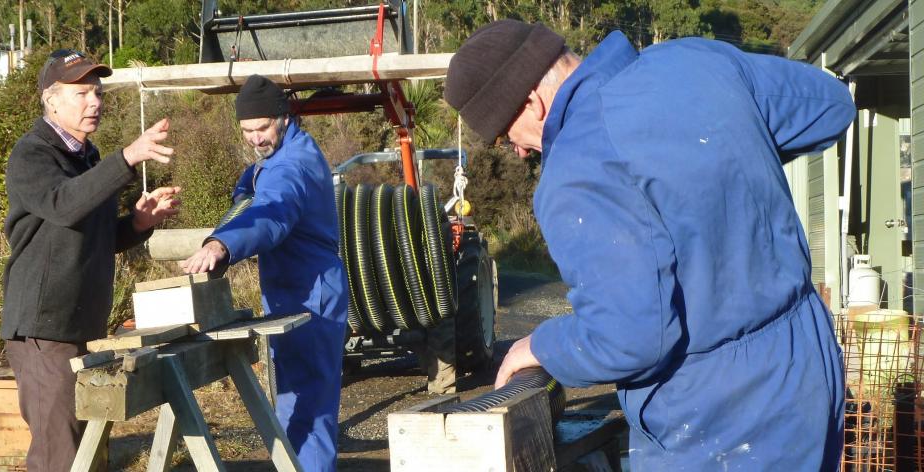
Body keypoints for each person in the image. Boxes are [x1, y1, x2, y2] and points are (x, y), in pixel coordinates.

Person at [444, 21, 854, 470]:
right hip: (809, 370)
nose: (518, 152)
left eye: (507, 135)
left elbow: (630, 337)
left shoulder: (574, 173)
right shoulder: (697, 61)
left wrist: (541, 346)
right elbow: (831, 106)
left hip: (717, 417)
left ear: (532, 102)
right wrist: (723, 151)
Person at [2, 49, 180, 471]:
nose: (95, 102)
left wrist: (137, 223)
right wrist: (128, 158)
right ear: (52, 99)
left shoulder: (88, 157)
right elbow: (63, 206)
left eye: (97, 92)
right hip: (43, 332)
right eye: (82, 93)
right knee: (59, 457)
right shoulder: (32, 155)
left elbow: (92, 236)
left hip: (79, 327)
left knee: (89, 452)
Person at [181, 74, 348, 472]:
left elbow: (272, 214)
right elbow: (256, 183)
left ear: (283, 118)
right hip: (294, 290)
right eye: (246, 131)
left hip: (312, 297)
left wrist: (223, 245)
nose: (255, 139)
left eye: (261, 129)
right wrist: (242, 195)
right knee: (293, 399)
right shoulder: (283, 154)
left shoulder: (292, 165)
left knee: (308, 406)